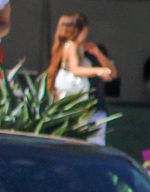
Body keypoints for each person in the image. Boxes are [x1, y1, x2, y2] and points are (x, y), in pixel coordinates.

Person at [49, 13, 117, 144]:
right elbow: (75, 69)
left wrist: (97, 53)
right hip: (75, 108)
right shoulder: (70, 46)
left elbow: (112, 73)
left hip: (91, 107)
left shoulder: (86, 48)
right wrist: (98, 71)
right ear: (82, 30)